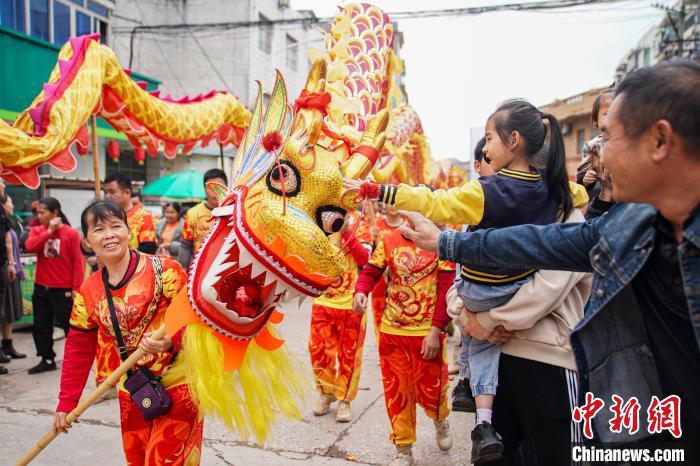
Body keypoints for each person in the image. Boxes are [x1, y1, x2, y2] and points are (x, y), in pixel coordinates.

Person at [400, 60, 700, 459]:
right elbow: (536, 243)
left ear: (660, 141)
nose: (597, 156)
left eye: (606, 138)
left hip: (552, 365)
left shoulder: (578, 207)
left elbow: (550, 275)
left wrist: (485, 318)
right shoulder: (630, 223)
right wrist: (447, 245)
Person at [357, 99, 588, 462]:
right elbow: (460, 278)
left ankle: (466, 395)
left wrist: (483, 322)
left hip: (545, 360)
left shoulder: (564, 210)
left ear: (514, 142)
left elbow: (547, 289)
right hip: (494, 357)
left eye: (488, 140)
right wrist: (465, 318)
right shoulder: (508, 203)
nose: (484, 152)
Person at [54, 200, 202, 464]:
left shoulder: (165, 270)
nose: (109, 234)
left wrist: (170, 341)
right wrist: (67, 404)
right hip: (133, 388)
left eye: (115, 226)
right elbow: (78, 349)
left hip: (178, 383)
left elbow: (194, 319)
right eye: (98, 229)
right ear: (87, 241)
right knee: (138, 460)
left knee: (166, 460)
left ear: (128, 231)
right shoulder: (88, 292)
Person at [354, 222, 455, 465]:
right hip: (392, 330)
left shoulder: (441, 241)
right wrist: (360, 290)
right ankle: (404, 449)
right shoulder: (389, 239)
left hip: (426, 333)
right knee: (397, 392)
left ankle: (440, 420)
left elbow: (446, 288)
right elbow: (371, 271)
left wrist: (436, 329)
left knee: (433, 391)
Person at [309, 210, 372, 423]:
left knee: (350, 354)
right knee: (318, 350)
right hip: (323, 299)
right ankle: (326, 392)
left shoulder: (360, 221)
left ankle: (345, 398)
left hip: (350, 301)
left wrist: (347, 233)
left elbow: (365, 258)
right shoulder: (319, 218)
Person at [452, 137, 493, 412]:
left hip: (514, 334)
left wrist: (494, 321)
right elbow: (456, 276)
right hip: (475, 317)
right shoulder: (469, 215)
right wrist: (463, 314)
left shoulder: (541, 208)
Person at [24, 198, 85, 374]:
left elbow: (78, 262)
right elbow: (29, 246)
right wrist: (48, 231)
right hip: (41, 287)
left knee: (70, 326)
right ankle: (47, 358)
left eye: (43, 212)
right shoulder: (38, 230)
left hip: (63, 289)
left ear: (55, 213)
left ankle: (78, 360)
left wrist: (76, 288)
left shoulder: (71, 233)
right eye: (38, 212)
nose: (39, 215)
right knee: (41, 325)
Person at [177, 169, 228, 269]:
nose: (215, 192)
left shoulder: (235, 211)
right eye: (210, 187)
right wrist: (183, 270)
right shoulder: (193, 213)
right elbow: (186, 245)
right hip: (201, 269)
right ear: (204, 189)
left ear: (226, 187)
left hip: (228, 268)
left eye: (218, 186)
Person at [0, 194, 25, 369]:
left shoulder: (8, 221)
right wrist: (10, 263)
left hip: (9, 269)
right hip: (6, 267)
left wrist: (12, 264)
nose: (12, 205)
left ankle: (7, 345)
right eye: (10, 202)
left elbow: (10, 245)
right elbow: (7, 245)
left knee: (7, 310)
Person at [103, 173, 156, 254]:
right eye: (105, 192)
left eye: (111, 192)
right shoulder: (105, 216)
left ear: (127, 193)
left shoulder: (143, 216)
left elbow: (148, 248)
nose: (107, 196)